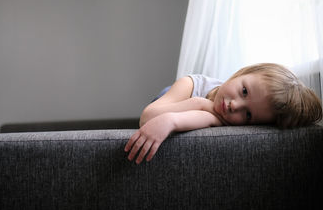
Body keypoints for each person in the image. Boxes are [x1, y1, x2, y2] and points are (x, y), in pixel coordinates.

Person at [124, 63, 323, 164]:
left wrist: (203, 115)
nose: (234, 106)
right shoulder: (191, 84)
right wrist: (200, 104)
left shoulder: (228, 123)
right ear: (242, 72)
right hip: (162, 107)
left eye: (248, 115)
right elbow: (147, 118)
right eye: (244, 91)